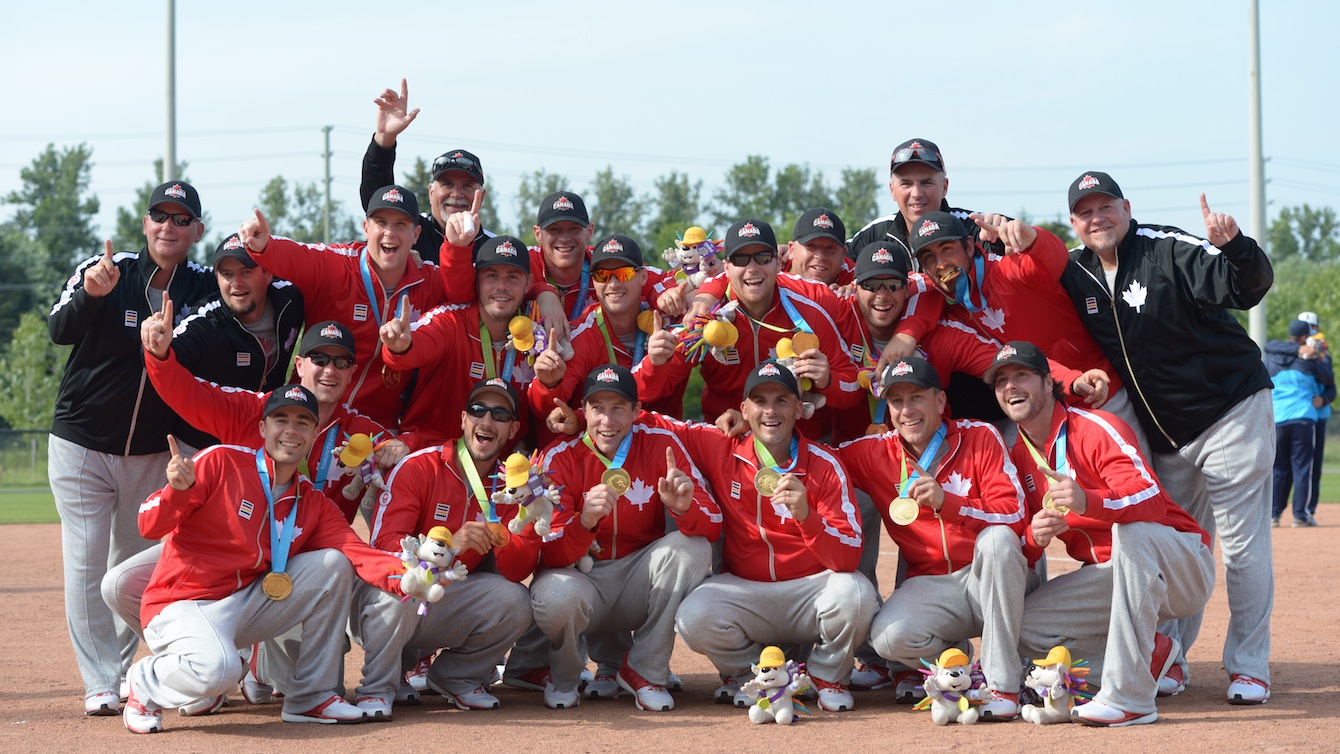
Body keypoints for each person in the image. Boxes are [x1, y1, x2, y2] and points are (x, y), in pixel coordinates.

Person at [1061, 171, 1275, 704]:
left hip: (1230, 411)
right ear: (1074, 222)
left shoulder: (1166, 249)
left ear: (1126, 208)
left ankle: (1249, 668)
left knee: (1242, 549)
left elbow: (1245, 287)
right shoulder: (1076, 272)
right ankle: (1171, 659)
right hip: (1167, 438)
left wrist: (1237, 248)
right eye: (1085, 212)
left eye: (1105, 206)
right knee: (1177, 547)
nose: (1097, 218)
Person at [121, 386, 409, 733]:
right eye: (281, 420)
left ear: (315, 434)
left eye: (303, 423)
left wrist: (411, 577)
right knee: (219, 670)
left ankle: (310, 697)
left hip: (244, 603)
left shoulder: (311, 500)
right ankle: (144, 681)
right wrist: (175, 493)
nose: (291, 430)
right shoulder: (221, 461)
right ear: (262, 429)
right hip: (182, 603)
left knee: (333, 564)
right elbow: (148, 524)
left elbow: (358, 553)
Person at [48, 180, 217, 716]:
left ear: (197, 230)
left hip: (152, 452)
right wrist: (91, 294)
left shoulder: (206, 287)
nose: (168, 226)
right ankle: (99, 680)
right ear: (146, 224)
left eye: (181, 218)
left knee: (129, 566)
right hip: (82, 442)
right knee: (85, 562)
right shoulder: (105, 269)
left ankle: (122, 669)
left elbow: (204, 344)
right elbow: (57, 329)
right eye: (159, 216)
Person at [987, 341, 1214, 726]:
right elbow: (1020, 543)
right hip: (1111, 577)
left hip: (1178, 563)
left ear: (1047, 383)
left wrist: (1088, 501)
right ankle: (1155, 655)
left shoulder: (1095, 427)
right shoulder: (1017, 456)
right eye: (1002, 380)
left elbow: (1151, 501)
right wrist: (1032, 537)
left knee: (1133, 532)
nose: (1011, 386)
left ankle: (1130, 698)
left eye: (1021, 375)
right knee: (1021, 631)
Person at [663, 360, 875, 713]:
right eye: (760, 401)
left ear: (798, 408)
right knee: (693, 615)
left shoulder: (825, 462)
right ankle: (753, 674)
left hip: (809, 588)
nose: (770, 411)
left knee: (857, 594)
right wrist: (581, 419)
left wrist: (808, 518)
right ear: (744, 410)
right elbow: (654, 423)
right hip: (747, 589)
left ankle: (825, 675)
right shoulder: (723, 446)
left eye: (781, 400)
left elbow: (848, 557)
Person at [832, 354, 1029, 721]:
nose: (907, 410)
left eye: (917, 397)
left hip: (990, 574)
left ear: (940, 401)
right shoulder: (875, 452)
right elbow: (816, 462)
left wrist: (949, 503)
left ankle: (1003, 685)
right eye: (896, 401)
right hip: (935, 585)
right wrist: (747, 431)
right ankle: (955, 656)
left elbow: (1014, 515)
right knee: (888, 638)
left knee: (998, 540)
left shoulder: (979, 435)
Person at [530, 365, 718, 711]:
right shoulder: (557, 457)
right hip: (586, 578)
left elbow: (713, 524)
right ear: (583, 411)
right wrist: (584, 522)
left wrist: (685, 508)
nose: (607, 420)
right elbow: (550, 553)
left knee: (691, 547)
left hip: (638, 578)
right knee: (554, 592)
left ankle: (644, 670)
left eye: (618, 408)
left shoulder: (661, 444)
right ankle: (567, 675)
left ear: (635, 411)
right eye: (598, 408)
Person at [353, 379, 541, 718]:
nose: (487, 421)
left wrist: (522, 524)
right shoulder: (420, 466)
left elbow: (515, 572)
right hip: (388, 595)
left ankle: (457, 677)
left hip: (447, 600)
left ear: (512, 429)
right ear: (463, 419)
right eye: (478, 410)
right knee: (409, 582)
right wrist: (447, 546)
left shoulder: (511, 487)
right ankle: (379, 686)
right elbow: (383, 548)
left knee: (515, 601)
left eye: (499, 414)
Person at [240, 184, 449, 427]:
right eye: (381, 222)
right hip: (308, 414)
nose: (390, 233)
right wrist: (265, 246)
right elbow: (298, 256)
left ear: (415, 235)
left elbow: (466, 290)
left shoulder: (430, 280)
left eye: (400, 224)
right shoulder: (339, 264)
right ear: (366, 228)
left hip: (376, 425)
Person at [635, 218, 862, 439]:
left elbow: (853, 386)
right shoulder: (704, 316)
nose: (752, 268)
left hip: (799, 446)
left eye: (762, 257)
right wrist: (656, 363)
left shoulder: (809, 310)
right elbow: (640, 388)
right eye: (741, 260)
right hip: (727, 441)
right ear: (726, 267)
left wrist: (828, 380)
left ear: (777, 262)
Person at [529, 234, 684, 436]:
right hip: (601, 448)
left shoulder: (669, 323)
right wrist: (548, 384)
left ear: (643, 277)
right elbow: (545, 408)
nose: (612, 284)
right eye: (603, 275)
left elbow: (663, 386)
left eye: (624, 274)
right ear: (594, 281)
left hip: (662, 444)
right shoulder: (583, 333)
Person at [169, 233, 304, 450]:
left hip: (264, 443)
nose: (236, 283)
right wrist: (157, 346)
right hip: (201, 445)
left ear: (267, 273)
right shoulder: (208, 317)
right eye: (227, 274)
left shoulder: (291, 300)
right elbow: (170, 356)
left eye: (246, 272)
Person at [360, 78, 493, 262]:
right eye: (447, 184)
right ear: (431, 192)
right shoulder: (411, 233)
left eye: (468, 186)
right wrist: (385, 138)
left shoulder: (493, 250)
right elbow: (378, 199)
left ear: (482, 196)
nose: (457, 194)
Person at [845, 138, 989, 268]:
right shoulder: (874, 234)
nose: (917, 194)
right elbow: (834, 263)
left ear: (944, 187)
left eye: (926, 183)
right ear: (892, 190)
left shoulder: (976, 227)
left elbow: (1008, 253)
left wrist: (1009, 232)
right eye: (906, 184)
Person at [1266, 320, 1328, 527]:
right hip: (1303, 419)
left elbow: (1269, 345)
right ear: (1303, 338)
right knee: (1302, 469)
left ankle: (1274, 515)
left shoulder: (1272, 360)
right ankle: (1299, 515)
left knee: (1278, 469)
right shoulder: (1308, 362)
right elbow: (1327, 378)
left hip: (1278, 420)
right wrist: (1318, 355)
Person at [1296, 311, 1333, 524]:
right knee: (1289, 465)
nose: (1310, 331)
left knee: (1314, 464)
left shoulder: (1323, 355)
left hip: (1318, 415)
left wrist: (1324, 399)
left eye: (1312, 327)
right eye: (1305, 327)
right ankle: (1281, 509)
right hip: (1296, 414)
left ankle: (1309, 509)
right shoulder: (1293, 352)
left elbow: (1331, 388)